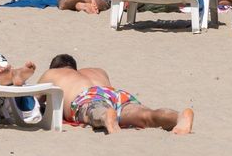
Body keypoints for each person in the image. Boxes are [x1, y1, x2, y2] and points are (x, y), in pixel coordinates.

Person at [40, 54, 193, 135]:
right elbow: (104, 94)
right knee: (147, 115)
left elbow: (34, 101)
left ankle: (106, 116)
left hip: (87, 96)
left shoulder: (52, 73)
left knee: (95, 111)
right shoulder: (97, 71)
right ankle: (178, 117)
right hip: (114, 93)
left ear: (55, 68)